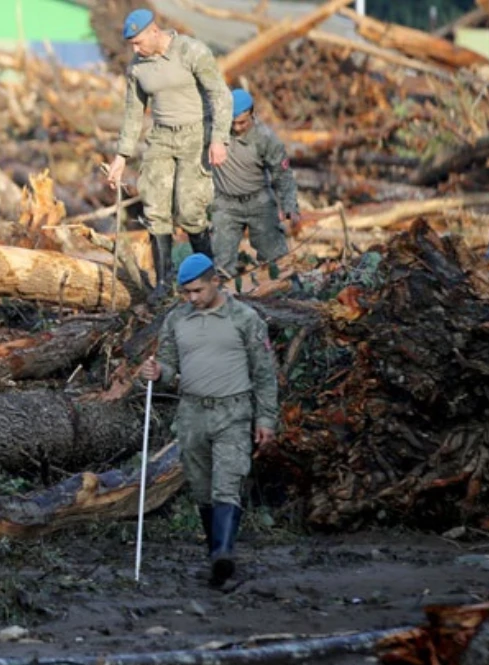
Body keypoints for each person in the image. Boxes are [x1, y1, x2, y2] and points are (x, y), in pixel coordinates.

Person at [139, 253, 278, 586]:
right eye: (186, 293)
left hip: (233, 410)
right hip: (192, 413)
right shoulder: (177, 320)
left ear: (216, 280)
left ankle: (223, 555)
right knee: (201, 488)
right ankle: (217, 555)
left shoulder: (245, 318)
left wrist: (266, 419)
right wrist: (157, 372)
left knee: (227, 482)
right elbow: (169, 365)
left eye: (198, 291)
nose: (192, 298)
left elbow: (264, 373)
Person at [104, 8, 233, 303]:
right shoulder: (138, 67)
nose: (135, 50)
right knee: (155, 210)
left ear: (154, 30)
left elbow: (220, 94)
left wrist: (219, 139)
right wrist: (121, 156)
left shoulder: (191, 51)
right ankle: (164, 283)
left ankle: (209, 278)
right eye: (132, 45)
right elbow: (133, 112)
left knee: (190, 211)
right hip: (161, 137)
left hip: (195, 134)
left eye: (138, 42)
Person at [209, 88, 300, 278]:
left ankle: (290, 296)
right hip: (226, 203)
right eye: (232, 122)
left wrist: (289, 204)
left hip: (259, 201)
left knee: (276, 259)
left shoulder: (265, 138)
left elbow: (282, 174)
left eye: (242, 122)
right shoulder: (216, 131)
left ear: (252, 114)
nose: (237, 127)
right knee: (222, 264)